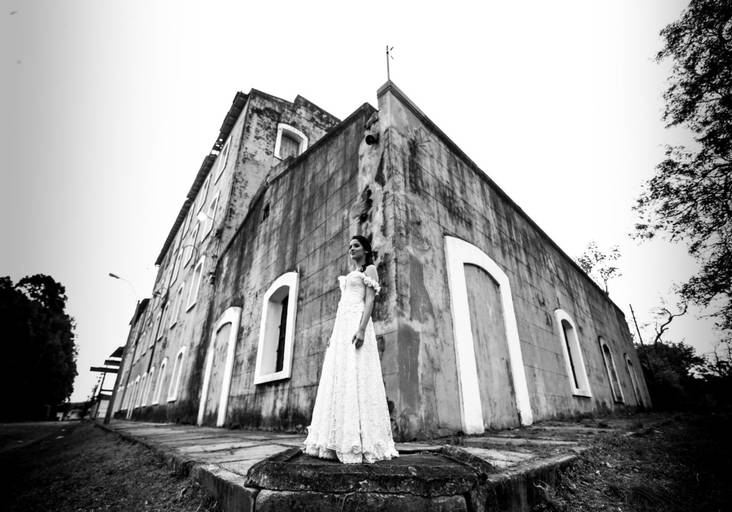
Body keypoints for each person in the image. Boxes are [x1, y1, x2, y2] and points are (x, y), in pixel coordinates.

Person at [303, 235, 399, 464]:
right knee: (341, 375)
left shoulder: (370, 270)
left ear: (365, 249)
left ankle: (360, 440)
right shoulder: (351, 274)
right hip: (342, 326)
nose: (351, 249)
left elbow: (370, 301)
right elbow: (341, 306)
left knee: (357, 372)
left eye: (356, 245)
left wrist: (362, 330)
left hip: (357, 322)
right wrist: (334, 336)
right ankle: (335, 439)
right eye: (349, 246)